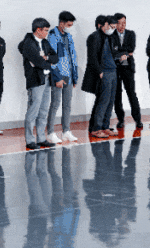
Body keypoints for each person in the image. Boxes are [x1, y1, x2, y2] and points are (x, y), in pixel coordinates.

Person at [18, 18, 58, 150]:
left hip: (46, 79)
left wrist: (47, 58)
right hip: (35, 80)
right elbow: (38, 61)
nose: (47, 33)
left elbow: (55, 57)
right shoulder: (28, 43)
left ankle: (41, 138)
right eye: (45, 30)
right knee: (33, 110)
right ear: (38, 30)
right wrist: (48, 63)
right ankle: (30, 140)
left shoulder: (45, 42)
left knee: (43, 110)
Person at [82, 15, 121, 138]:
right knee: (103, 101)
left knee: (110, 101)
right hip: (104, 72)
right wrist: (99, 72)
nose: (113, 29)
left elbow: (113, 52)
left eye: (114, 28)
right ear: (105, 24)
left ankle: (105, 126)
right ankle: (96, 128)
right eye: (111, 27)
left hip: (113, 71)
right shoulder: (94, 37)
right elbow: (92, 57)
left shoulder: (111, 37)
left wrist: (120, 56)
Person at [45, 11, 79, 144]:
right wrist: (57, 77)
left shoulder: (69, 36)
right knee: (55, 104)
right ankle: (50, 133)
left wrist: (74, 76)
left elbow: (73, 57)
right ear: (61, 23)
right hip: (59, 75)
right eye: (68, 25)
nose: (70, 27)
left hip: (69, 75)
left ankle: (66, 131)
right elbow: (52, 60)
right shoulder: (52, 36)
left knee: (67, 105)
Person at [113, 13, 142, 130]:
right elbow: (112, 52)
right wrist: (122, 54)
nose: (122, 26)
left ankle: (138, 119)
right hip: (115, 68)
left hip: (128, 68)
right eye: (119, 23)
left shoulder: (131, 34)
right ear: (115, 24)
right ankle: (121, 119)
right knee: (117, 95)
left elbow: (131, 49)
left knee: (131, 93)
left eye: (124, 23)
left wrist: (120, 53)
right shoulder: (111, 36)